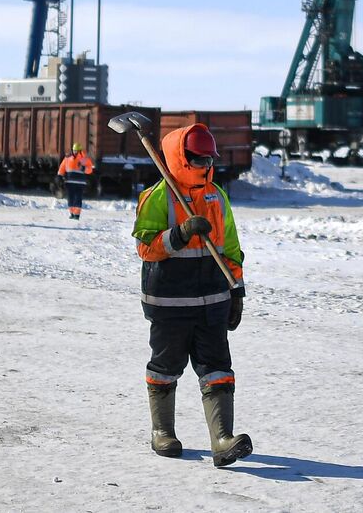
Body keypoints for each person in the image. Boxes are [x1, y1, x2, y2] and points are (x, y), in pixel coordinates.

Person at [132, 122, 251, 467]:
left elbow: (230, 246)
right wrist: (180, 234)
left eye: (208, 160)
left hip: (213, 300)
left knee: (217, 369)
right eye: (198, 160)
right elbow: (145, 248)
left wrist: (237, 289)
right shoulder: (158, 196)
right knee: (166, 367)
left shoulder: (216, 195)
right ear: (182, 159)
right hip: (169, 302)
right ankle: (162, 432)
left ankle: (222, 440)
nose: (205, 166)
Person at [57, 142, 95, 220]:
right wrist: (59, 176)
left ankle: (77, 214)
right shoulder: (67, 158)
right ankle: (72, 213)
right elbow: (62, 168)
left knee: (78, 198)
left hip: (80, 183)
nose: (75, 152)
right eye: (74, 150)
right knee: (70, 198)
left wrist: (84, 169)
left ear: (80, 150)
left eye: (76, 151)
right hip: (69, 182)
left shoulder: (84, 159)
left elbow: (90, 169)